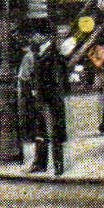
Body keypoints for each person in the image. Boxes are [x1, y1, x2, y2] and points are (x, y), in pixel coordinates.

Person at [22, 24, 69, 175]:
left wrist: (46, 94)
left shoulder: (53, 55)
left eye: (35, 34)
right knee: (40, 130)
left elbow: (58, 81)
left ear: (44, 36)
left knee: (53, 131)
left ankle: (58, 166)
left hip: (50, 100)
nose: (32, 38)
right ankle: (41, 164)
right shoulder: (41, 53)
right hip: (42, 99)